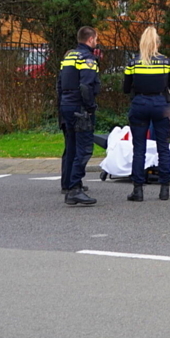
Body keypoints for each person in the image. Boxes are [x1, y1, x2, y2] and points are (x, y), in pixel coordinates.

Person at [123, 26, 170, 202]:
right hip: (161, 106)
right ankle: (164, 189)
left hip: (139, 104)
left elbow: (125, 88)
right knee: (164, 148)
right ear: (157, 43)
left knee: (139, 149)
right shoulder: (166, 62)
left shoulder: (133, 63)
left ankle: (138, 190)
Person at [57, 26, 101, 206]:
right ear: (90, 39)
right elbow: (86, 86)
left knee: (71, 146)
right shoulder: (87, 58)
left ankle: (68, 183)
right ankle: (75, 188)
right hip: (80, 107)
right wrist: (90, 107)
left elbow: (59, 83)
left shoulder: (69, 56)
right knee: (84, 149)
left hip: (66, 104)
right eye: (96, 39)